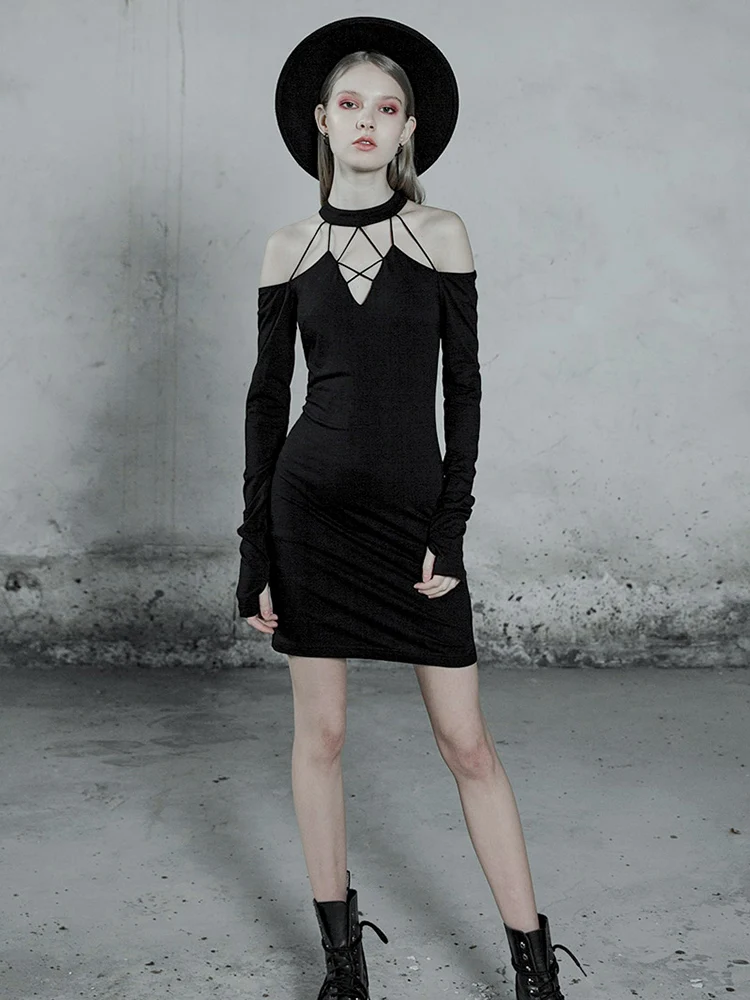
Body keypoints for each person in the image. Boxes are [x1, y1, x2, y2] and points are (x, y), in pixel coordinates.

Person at [235, 16, 586, 1000]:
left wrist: (449, 525)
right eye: (349, 103)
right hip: (309, 515)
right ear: (320, 119)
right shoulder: (286, 247)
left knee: (467, 744)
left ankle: (533, 967)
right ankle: (343, 967)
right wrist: (254, 549)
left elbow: (463, 390)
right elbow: (265, 403)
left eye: (385, 108)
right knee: (321, 739)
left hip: (410, 519)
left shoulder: (441, 234)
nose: (366, 120)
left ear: (407, 130)